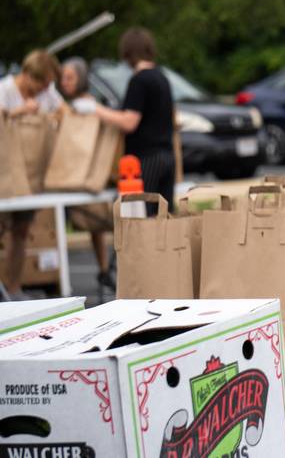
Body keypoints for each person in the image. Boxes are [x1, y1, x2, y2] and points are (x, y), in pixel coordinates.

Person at [78, 27, 175, 213]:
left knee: (138, 218)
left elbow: (129, 121)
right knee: (163, 219)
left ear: (127, 52)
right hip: (167, 156)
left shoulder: (139, 81)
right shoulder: (162, 77)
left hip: (145, 159)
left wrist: (95, 109)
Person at [0, 49, 65, 301]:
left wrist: (45, 116)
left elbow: (63, 113)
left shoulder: (46, 92)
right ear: (28, 75)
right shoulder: (5, 89)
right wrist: (20, 113)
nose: (43, 90)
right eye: (41, 83)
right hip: (6, 178)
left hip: (31, 181)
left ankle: (13, 288)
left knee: (21, 231)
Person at [58, 57, 115, 290]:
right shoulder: (70, 105)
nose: (65, 82)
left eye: (70, 77)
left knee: (98, 222)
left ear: (81, 79)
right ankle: (103, 270)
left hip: (85, 176)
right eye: (63, 78)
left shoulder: (88, 107)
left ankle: (104, 270)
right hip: (70, 176)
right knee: (95, 226)